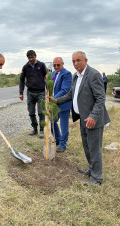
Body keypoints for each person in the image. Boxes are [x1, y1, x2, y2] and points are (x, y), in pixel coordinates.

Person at [49, 51, 110, 185]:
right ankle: (91, 169)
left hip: (93, 120)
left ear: (86, 60)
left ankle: (97, 178)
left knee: (94, 149)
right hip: (83, 118)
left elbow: (101, 98)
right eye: (73, 61)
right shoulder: (76, 76)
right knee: (87, 147)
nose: (76, 64)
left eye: (78, 60)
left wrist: (93, 116)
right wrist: (56, 100)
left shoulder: (93, 75)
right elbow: (71, 94)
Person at [19, 50, 47, 138]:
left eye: (32, 57)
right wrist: (21, 93)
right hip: (30, 92)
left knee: (41, 112)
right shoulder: (25, 67)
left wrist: (49, 89)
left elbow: (47, 76)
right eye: (29, 57)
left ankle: (42, 130)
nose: (31, 59)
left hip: (41, 92)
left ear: (35, 56)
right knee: (31, 112)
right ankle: (35, 129)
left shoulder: (41, 65)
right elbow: (21, 80)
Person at [51, 57, 72, 153]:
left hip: (64, 104)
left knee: (64, 126)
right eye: (54, 65)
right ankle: (58, 139)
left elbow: (65, 90)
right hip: (54, 104)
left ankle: (63, 145)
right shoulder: (52, 74)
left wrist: (54, 98)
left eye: (58, 65)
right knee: (52, 122)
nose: (56, 67)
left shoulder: (67, 74)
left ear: (62, 64)